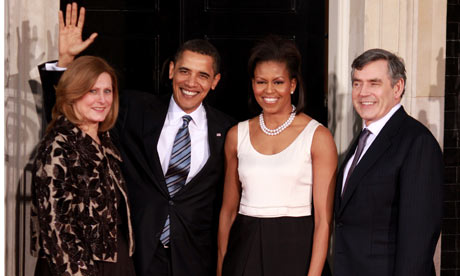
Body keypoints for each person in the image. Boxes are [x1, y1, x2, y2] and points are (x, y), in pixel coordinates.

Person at [37, 3, 235, 276]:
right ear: (171, 71)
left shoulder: (228, 130)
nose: (191, 82)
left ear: (215, 81)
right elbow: (71, 120)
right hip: (136, 257)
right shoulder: (134, 110)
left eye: (203, 75)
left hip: (193, 260)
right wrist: (65, 63)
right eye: (185, 71)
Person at [217, 36, 337, 276]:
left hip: (296, 250)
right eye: (261, 82)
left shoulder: (318, 136)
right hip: (244, 248)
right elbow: (228, 212)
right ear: (252, 84)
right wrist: (221, 268)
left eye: (278, 82)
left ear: (292, 85)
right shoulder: (236, 135)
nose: (269, 90)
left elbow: (323, 221)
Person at [333, 48, 443, 276]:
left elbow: (418, 239)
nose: (363, 92)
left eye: (374, 83)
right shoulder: (364, 139)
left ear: (397, 87)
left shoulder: (417, 142)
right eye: (357, 83)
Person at [30, 55, 136, 276]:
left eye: (107, 91)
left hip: (115, 262)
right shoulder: (58, 145)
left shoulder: (106, 141)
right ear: (72, 94)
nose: (102, 99)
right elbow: (55, 228)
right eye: (92, 91)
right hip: (76, 268)